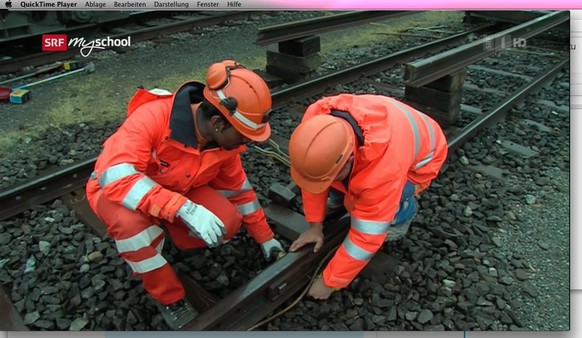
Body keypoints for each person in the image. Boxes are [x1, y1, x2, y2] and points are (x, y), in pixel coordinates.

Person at [85, 60, 284, 329]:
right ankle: (169, 298)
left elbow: (239, 191)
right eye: (244, 136)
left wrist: (266, 238)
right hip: (119, 193)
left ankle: (173, 235)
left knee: (227, 221)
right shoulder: (152, 118)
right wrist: (185, 209)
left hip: (176, 190)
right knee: (133, 229)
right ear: (217, 122)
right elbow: (117, 178)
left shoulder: (224, 145)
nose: (246, 143)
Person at [287, 93, 448, 300]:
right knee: (330, 177)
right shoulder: (316, 123)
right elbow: (313, 179)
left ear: (350, 158)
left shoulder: (383, 171)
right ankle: (341, 195)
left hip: (423, 158)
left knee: (386, 204)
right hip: (388, 127)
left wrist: (330, 281)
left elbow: (367, 238)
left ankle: (403, 213)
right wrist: (314, 226)